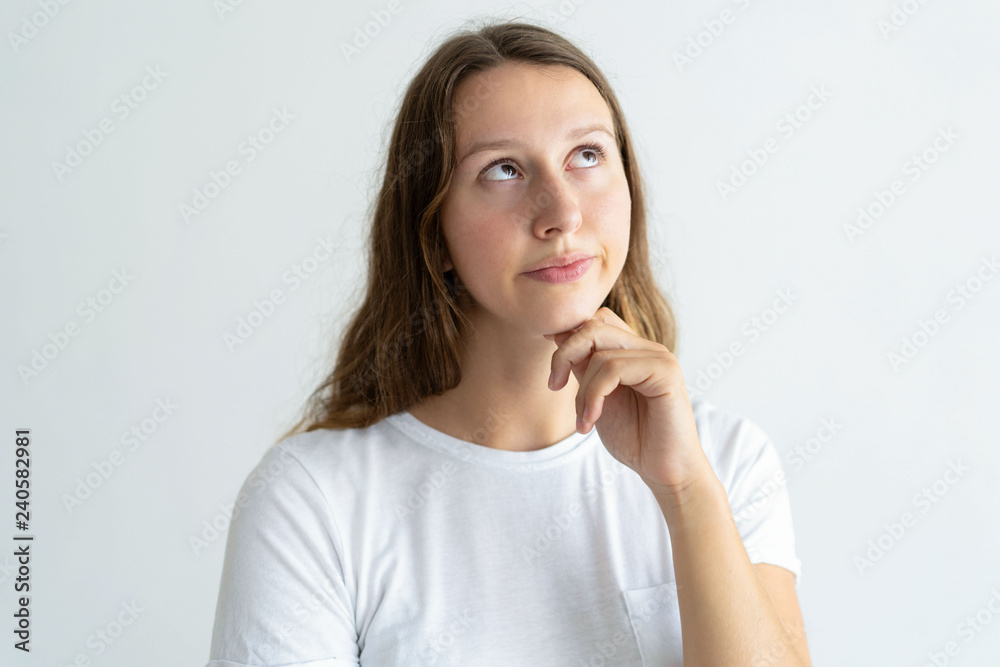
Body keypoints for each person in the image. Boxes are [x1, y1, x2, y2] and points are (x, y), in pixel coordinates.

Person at [206, 19, 811, 667]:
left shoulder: (724, 461)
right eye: (503, 169)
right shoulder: (312, 502)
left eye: (587, 155)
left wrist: (686, 490)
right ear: (432, 233)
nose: (561, 212)